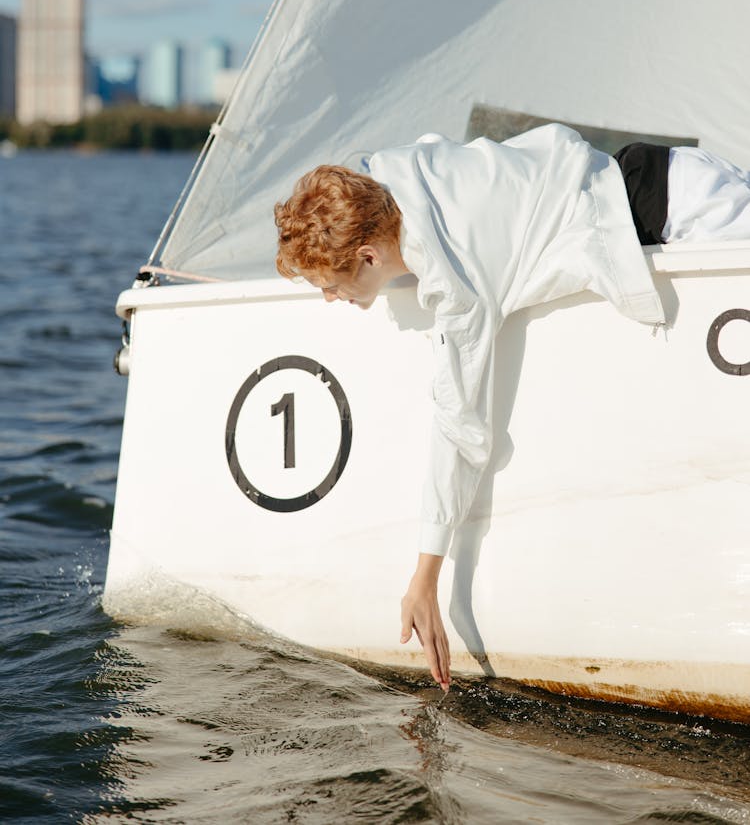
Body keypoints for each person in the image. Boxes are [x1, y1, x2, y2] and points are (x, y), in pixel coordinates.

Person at [274, 124, 750, 691]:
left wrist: (424, 579)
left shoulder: (457, 282)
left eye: (330, 285)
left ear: (371, 255)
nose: (330, 298)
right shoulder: (393, 175)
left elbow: (461, 428)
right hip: (663, 177)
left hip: (686, 215)